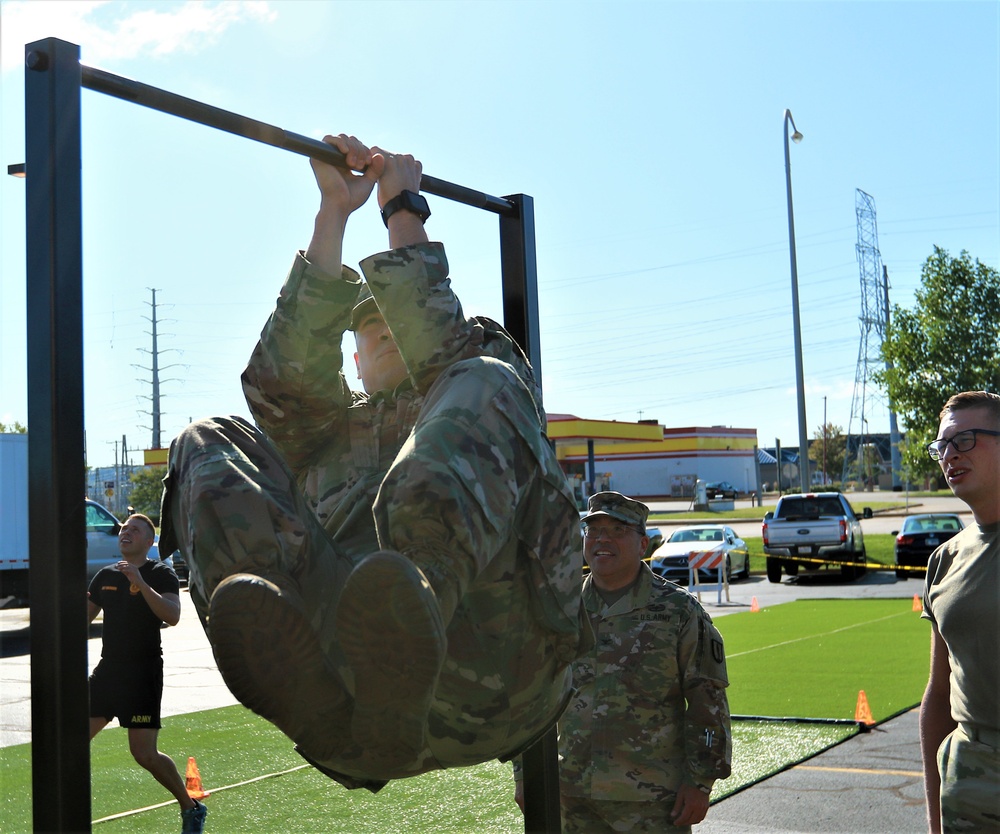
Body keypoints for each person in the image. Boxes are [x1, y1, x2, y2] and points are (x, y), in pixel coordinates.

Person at [158, 134, 586, 790]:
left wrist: (403, 211)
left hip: (499, 670)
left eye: (396, 314)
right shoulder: (331, 434)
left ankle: (419, 605)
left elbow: (447, 355)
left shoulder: (478, 381)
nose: (385, 328)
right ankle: (318, 700)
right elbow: (283, 384)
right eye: (368, 326)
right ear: (354, 358)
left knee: (482, 380)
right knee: (209, 442)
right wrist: (333, 213)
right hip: (351, 711)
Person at [516, 491, 731, 832]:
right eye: (593, 530)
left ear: (643, 544)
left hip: (653, 802)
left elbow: (708, 702)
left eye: (618, 530)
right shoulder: (558, 608)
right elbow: (528, 695)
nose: (603, 539)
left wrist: (701, 782)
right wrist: (525, 775)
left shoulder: (678, 612)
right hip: (571, 796)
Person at [88, 512, 208, 834]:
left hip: (142, 675)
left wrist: (140, 584)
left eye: (135, 529)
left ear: (149, 541)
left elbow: (173, 615)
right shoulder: (104, 576)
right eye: (124, 528)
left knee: (144, 754)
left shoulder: (161, 573)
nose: (126, 532)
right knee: (71, 740)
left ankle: (191, 807)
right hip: (107, 672)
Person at [919, 390, 1000, 833]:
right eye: (942, 446)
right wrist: (935, 817)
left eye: (965, 439)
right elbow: (937, 696)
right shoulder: (945, 560)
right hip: (968, 788)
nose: (950, 455)